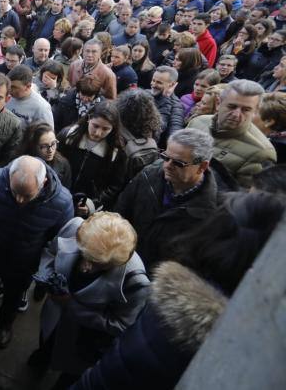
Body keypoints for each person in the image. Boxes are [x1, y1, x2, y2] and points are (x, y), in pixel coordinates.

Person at [74, 192, 285, 390]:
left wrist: (73, 308)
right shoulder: (173, 304)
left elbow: (118, 352)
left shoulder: (148, 292)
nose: (87, 265)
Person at [0, 156, 74, 348]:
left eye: (27, 196)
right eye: (15, 192)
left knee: (13, 297)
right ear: (8, 177)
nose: (19, 200)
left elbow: (58, 239)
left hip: (24, 261)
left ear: (44, 183)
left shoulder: (62, 202)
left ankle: (5, 325)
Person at [30, 212, 149, 387]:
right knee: (46, 340)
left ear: (120, 262)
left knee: (69, 374)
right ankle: (42, 357)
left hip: (82, 338)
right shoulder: (75, 226)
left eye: (99, 265)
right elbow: (50, 251)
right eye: (86, 256)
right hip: (54, 315)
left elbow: (120, 325)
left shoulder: (135, 282)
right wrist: (46, 276)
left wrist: (71, 305)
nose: (87, 267)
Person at [115, 128, 219, 268]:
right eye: (165, 157)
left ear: (202, 166)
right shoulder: (148, 174)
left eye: (178, 163)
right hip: (123, 261)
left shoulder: (211, 214)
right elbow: (120, 213)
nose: (167, 165)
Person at [187, 79, 277, 187]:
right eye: (232, 106)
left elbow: (242, 199)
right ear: (218, 103)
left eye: (246, 109)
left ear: (255, 111)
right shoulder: (197, 122)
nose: (236, 114)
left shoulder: (261, 153)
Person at [58, 101, 127, 214]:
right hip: (59, 195)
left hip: (86, 205)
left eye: (105, 129)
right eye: (95, 126)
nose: (98, 133)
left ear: (113, 128)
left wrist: (92, 204)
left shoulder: (117, 152)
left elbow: (115, 186)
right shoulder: (68, 136)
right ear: (88, 119)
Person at [149, 66, 185, 148]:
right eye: (153, 80)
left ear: (171, 85)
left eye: (159, 82)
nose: (153, 84)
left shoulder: (177, 107)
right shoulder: (146, 93)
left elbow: (173, 135)